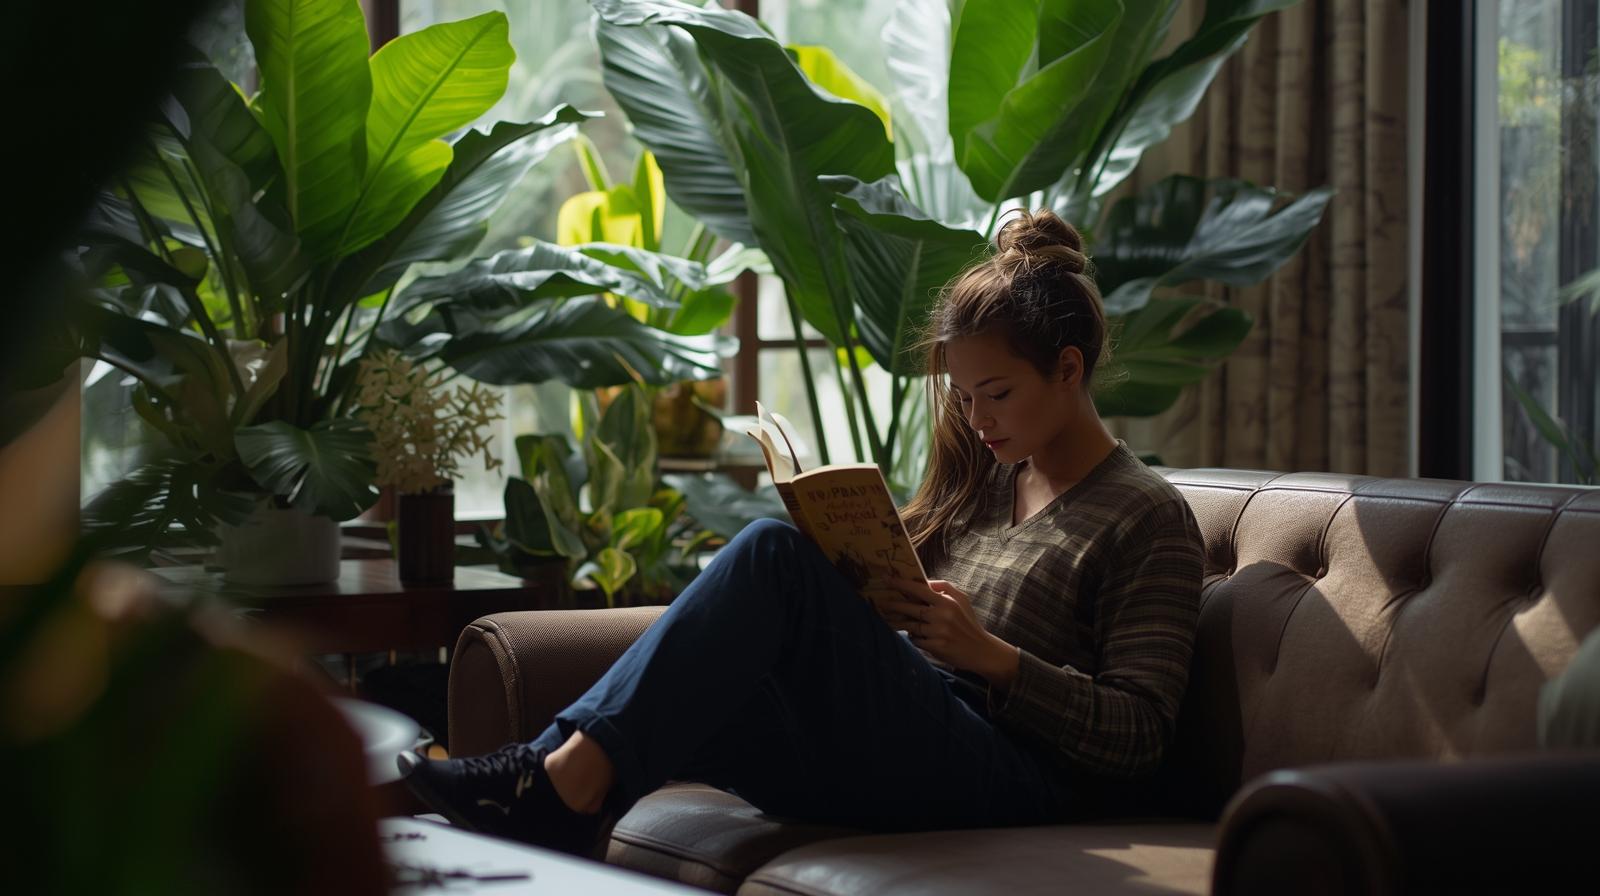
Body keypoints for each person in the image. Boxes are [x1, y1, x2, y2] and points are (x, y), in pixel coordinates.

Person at [396, 209, 1205, 859]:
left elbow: (1140, 738)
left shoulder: (1145, 516)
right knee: (717, 669)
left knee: (766, 553)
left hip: (1014, 775)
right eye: (962, 397)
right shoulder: (990, 476)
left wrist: (990, 656)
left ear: (1068, 370)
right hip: (907, 740)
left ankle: (546, 788)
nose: (976, 418)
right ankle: (554, 784)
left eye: (995, 393)